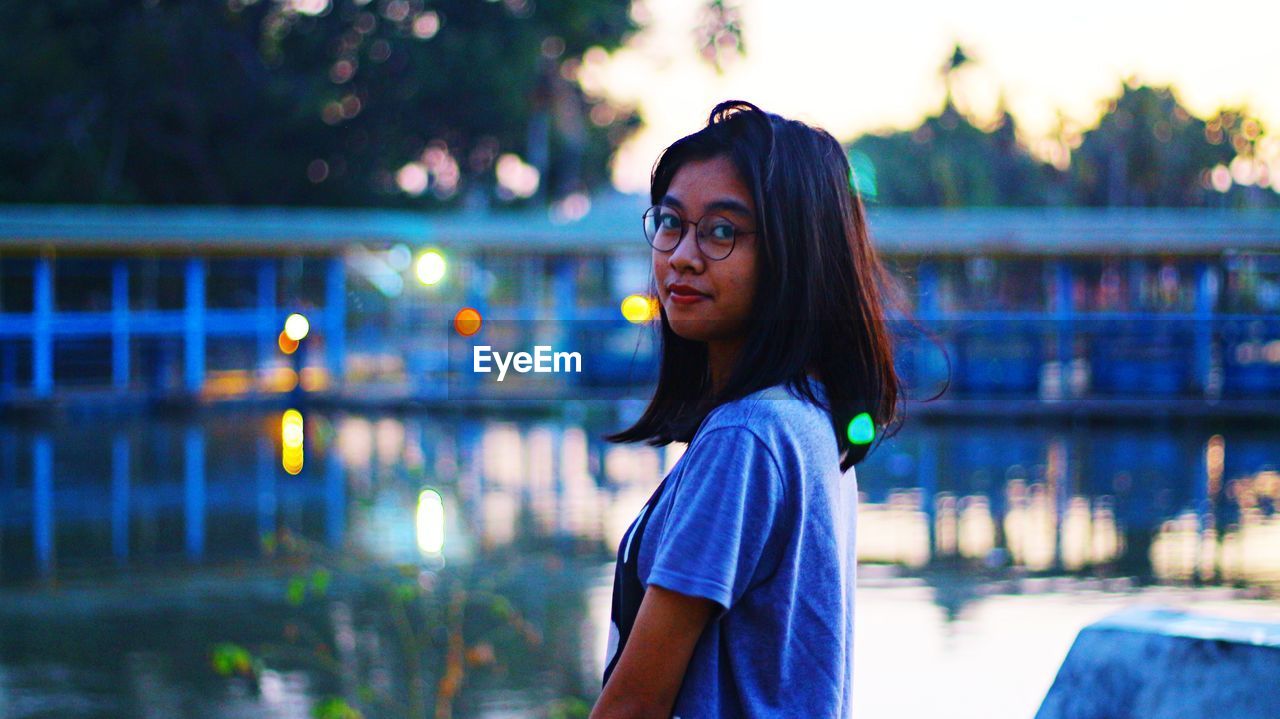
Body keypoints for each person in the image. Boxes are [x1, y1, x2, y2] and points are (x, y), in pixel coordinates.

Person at [590, 100, 905, 718]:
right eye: (671, 223)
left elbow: (635, 705)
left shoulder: (748, 438)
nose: (681, 255)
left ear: (795, 254)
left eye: (722, 231)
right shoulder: (809, 418)